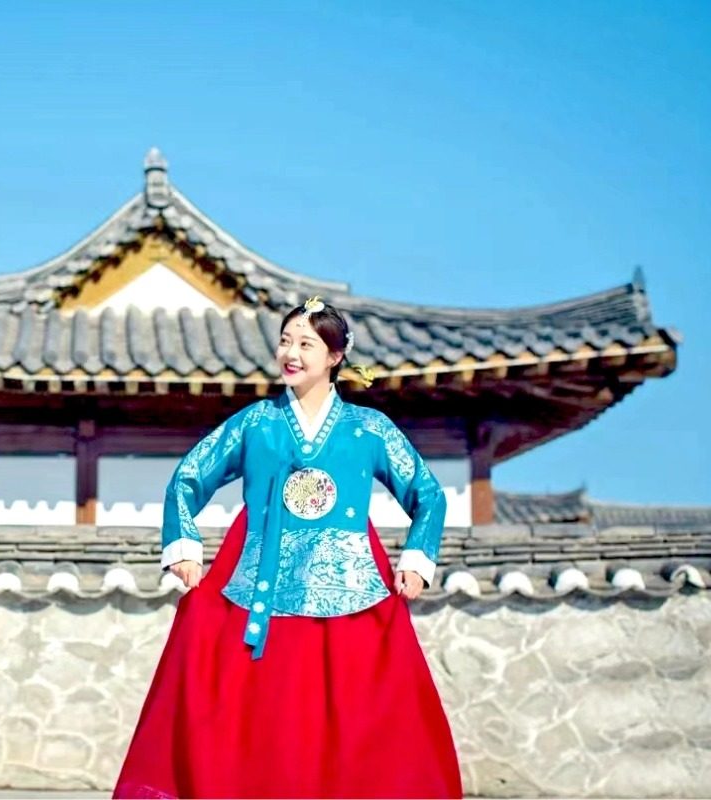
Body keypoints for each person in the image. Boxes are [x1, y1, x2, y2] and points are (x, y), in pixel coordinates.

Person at [113, 297, 462, 799]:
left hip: (350, 582)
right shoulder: (256, 423)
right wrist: (184, 544)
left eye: (305, 344)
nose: (291, 354)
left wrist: (416, 558)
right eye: (284, 341)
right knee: (241, 707)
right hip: (258, 578)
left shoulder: (369, 428)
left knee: (363, 714)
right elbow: (189, 476)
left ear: (335, 356)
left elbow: (426, 494)